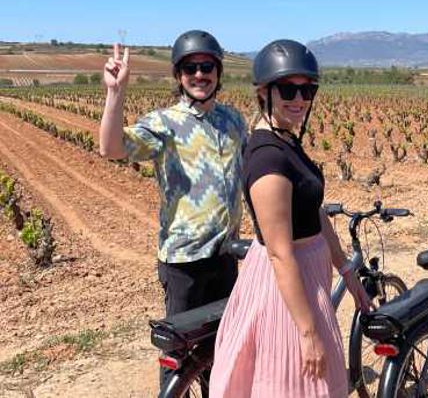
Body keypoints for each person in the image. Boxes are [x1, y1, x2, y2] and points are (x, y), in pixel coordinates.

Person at [209, 39, 372, 397]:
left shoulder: (287, 143)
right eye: (288, 89)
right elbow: (280, 253)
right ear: (263, 93)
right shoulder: (268, 159)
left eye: (307, 89)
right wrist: (307, 332)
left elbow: (313, 212)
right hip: (286, 289)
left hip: (307, 281)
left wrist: (346, 269)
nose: (299, 99)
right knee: (295, 383)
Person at [99, 30, 247, 386]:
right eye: (190, 67)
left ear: (218, 72)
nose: (199, 74)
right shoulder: (164, 123)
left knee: (223, 349)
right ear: (179, 75)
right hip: (183, 263)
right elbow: (113, 148)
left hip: (226, 257)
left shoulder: (234, 122)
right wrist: (115, 93)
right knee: (178, 358)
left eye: (207, 66)